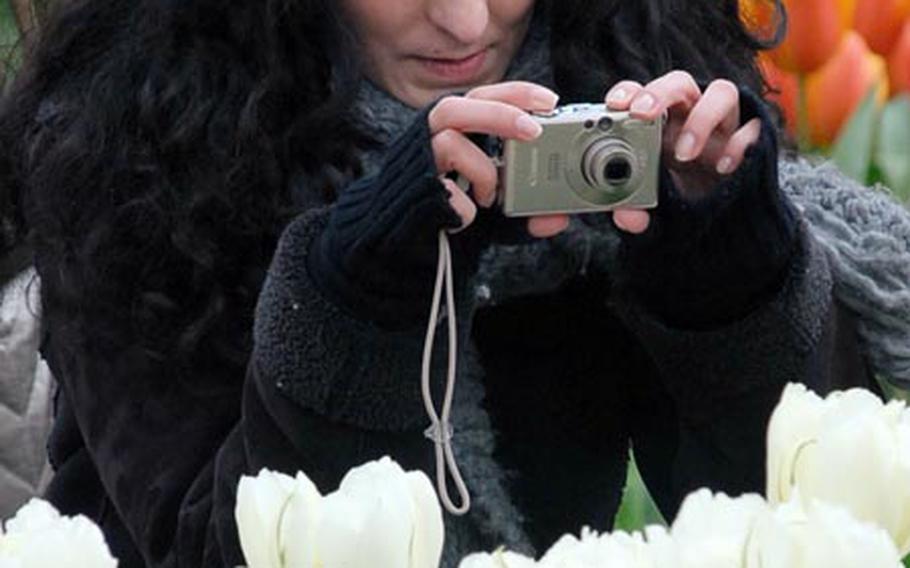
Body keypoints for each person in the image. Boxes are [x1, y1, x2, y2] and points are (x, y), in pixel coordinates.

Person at [0, 0, 908, 566]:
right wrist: (360, 294)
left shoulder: (603, 80)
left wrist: (727, 271)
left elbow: (791, 526)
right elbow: (217, 551)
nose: (469, 22)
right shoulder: (133, 160)